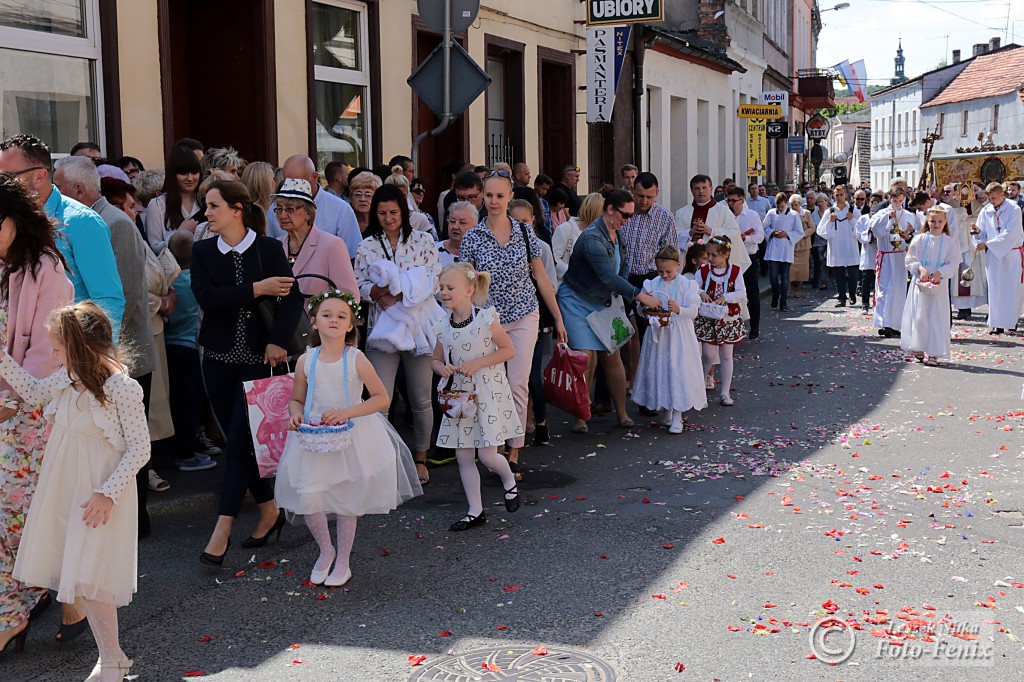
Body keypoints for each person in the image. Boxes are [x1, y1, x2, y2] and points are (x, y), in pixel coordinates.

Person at [0, 302, 149, 681]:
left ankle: (112, 660)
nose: (53, 356)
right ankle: (112, 659)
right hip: (67, 481)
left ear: (82, 346)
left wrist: (107, 493)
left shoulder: (121, 387)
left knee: (93, 574)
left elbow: (140, 448)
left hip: (98, 490)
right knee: (84, 573)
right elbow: (33, 394)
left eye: (58, 348)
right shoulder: (68, 377)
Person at [191, 180, 303, 566]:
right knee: (239, 441)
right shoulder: (204, 250)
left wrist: (278, 340)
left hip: (260, 360)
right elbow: (207, 298)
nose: (206, 213)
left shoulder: (269, 248)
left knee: (239, 441)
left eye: (213, 206)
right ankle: (269, 510)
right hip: (218, 360)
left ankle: (222, 528)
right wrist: (256, 289)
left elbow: (292, 300)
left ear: (237, 209)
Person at [277, 290, 420, 585]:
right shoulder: (306, 360)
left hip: (350, 435)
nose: (334, 320)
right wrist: (295, 414)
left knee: (345, 499)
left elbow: (381, 399)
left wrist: (348, 411)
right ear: (314, 321)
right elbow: (297, 400)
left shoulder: (356, 358)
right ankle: (325, 550)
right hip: (314, 438)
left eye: (341, 316)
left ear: (350, 325)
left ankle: (343, 560)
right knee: (310, 496)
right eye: (327, 315)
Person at [53, 157, 160, 529]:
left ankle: (136, 521)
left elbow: (126, 296)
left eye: (59, 188)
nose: (53, 196)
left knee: (129, 442)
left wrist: (103, 356)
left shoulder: (113, 222)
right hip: (103, 354)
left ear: (79, 191)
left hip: (121, 356)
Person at [0, 173, 75, 653]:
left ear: (14, 219)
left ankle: (48, 604)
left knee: (18, 518)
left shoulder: (45, 268)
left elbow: (47, 352)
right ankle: (22, 610)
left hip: (29, 413)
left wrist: (9, 405)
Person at [458, 171, 566, 477]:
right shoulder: (472, 238)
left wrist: (557, 317)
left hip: (524, 315)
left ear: (509, 198)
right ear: (482, 197)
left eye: (499, 196)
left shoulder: (524, 232)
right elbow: (465, 283)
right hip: (488, 321)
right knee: (492, 386)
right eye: (488, 195)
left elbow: (541, 276)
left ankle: (513, 449)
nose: (493, 201)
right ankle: (493, 445)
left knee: (518, 382)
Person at [353, 184, 441, 486]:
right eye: (382, 213)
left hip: (417, 327)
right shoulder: (367, 246)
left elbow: (436, 281)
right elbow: (359, 287)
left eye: (393, 212)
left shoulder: (424, 240)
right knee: (381, 399)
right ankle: (383, 458)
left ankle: (420, 457)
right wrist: (379, 293)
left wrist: (404, 294)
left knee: (421, 398)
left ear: (403, 212)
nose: (389, 218)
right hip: (383, 328)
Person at [0, 136, 126, 341]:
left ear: (40, 176)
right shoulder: (9, 221)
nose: (2, 184)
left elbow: (107, 300)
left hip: (69, 357)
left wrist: (97, 363)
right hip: (18, 357)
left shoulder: (82, 222)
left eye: (7, 176)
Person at [556, 190, 662, 432]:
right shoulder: (593, 238)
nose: (628, 220)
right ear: (610, 209)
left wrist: (622, 300)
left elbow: (622, 270)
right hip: (577, 301)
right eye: (625, 215)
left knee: (612, 356)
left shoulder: (617, 234)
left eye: (630, 216)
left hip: (604, 301)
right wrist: (640, 295)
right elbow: (608, 276)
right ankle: (580, 415)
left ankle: (622, 413)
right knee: (585, 357)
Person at [432, 264, 521, 530]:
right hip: (461, 396)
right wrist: (441, 368)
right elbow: (435, 360)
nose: (444, 293)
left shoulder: (486, 318)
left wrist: (479, 362)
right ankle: (475, 510)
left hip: (487, 393)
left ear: (469, 290)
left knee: (488, 455)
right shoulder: (442, 326)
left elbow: (508, 350)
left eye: (450, 288)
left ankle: (509, 480)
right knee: (463, 456)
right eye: (442, 288)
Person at [630, 245, 706, 433]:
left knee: (677, 371)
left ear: (679, 265)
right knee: (661, 370)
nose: (664, 275)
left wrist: (679, 309)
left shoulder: (687, 285)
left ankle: (678, 416)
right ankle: (666, 410)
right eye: (660, 271)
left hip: (679, 336)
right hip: (658, 335)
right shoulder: (652, 284)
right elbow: (640, 312)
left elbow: (694, 311)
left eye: (668, 271)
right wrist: (644, 305)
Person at [162, 231, 216, 472]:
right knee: (190, 404)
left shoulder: (168, 281)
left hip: (167, 347)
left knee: (175, 402)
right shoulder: (198, 280)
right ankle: (187, 455)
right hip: (190, 348)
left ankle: (181, 450)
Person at [508, 199, 556, 446]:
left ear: (532, 221)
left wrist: (555, 319)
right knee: (512, 376)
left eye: (524, 222)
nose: (518, 226)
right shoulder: (502, 245)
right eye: (514, 221)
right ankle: (515, 425)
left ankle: (540, 421)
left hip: (534, 317)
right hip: (507, 319)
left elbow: (550, 283)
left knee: (533, 375)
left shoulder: (541, 248)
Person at [273, 179, 358, 299]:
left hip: (315, 316)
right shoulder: (276, 246)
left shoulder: (331, 245)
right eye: (279, 209)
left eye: (290, 209)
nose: (282, 215)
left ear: (308, 212)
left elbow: (350, 296)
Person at [267, 156, 361, 257]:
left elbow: (353, 256)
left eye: (301, 183)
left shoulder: (341, 209)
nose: (294, 188)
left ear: (315, 177)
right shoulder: (275, 209)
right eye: (288, 182)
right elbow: (268, 251)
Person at [901, 208, 961, 365]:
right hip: (920, 283)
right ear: (927, 221)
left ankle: (934, 352)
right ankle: (918, 346)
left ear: (945, 222)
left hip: (938, 285)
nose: (936, 224)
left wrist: (940, 273)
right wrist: (920, 269)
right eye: (933, 221)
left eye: (940, 221)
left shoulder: (949, 242)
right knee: (919, 315)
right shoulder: (919, 239)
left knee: (936, 316)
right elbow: (910, 259)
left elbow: (954, 262)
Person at [695, 236, 746, 406]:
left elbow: (741, 292)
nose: (709, 259)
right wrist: (701, 292)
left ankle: (725, 392)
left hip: (727, 318)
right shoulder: (703, 270)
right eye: (708, 255)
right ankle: (699, 387)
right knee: (708, 354)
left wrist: (726, 297)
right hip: (709, 317)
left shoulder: (735, 271)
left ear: (725, 254)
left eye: (713, 255)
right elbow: (693, 287)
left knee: (726, 355)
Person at [970, 182, 1024, 334]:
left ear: (1002, 195)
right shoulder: (986, 210)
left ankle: (1012, 322)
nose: (991, 201)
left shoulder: (1014, 209)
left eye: (994, 198)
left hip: (1011, 254)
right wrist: (977, 232)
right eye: (989, 198)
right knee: (995, 288)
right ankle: (997, 323)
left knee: (1011, 288)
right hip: (994, 254)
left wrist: (987, 244)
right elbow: (983, 233)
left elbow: (1011, 233)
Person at [674, 174, 750, 273]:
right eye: (697, 188)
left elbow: (735, 234)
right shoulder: (682, 212)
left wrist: (712, 231)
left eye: (704, 187)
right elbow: (674, 236)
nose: (701, 191)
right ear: (691, 190)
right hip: (689, 266)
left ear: (711, 189)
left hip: (716, 265)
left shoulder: (723, 211)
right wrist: (689, 232)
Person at [870, 184, 917, 338]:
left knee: (898, 289)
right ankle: (884, 322)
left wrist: (910, 233)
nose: (898, 203)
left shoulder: (909, 216)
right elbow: (876, 231)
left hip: (900, 256)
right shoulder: (881, 213)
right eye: (895, 200)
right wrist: (888, 219)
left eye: (900, 201)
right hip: (886, 255)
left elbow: (917, 233)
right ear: (889, 199)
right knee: (884, 289)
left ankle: (896, 324)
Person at [145, 145, 202, 252]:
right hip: (174, 267)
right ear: (173, 174)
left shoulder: (205, 201)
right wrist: (180, 234)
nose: (190, 178)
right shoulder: (157, 205)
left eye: (194, 172)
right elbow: (155, 248)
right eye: (183, 173)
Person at [727, 186, 764, 339]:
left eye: (733, 201)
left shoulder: (751, 215)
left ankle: (754, 327)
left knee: (751, 293)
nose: (730, 204)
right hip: (729, 259)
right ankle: (734, 326)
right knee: (730, 294)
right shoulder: (726, 214)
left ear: (742, 201)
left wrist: (745, 238)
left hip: (748, 258)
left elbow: (760, 235)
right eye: (728, 200)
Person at [815, 185, 861, 306]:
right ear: (833, 196)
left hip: (850, 246)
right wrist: (830, 222)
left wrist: (852, 220)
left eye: (841, 194)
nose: (839, 197)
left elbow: (862, 230)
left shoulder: (853, 210)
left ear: (846, 195)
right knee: (838, 273)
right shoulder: (829, 212)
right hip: (836, 247)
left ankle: (852, 294)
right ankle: (841, 297)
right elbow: (820, 231)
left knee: (853, 273)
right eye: (837, 195)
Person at [762, 193, 804, 312]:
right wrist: (771, 233)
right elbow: (764, 227)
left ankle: (783, 301)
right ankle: (776, 293)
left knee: (785, 277)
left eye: (782, 206)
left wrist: (788, 234)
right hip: (774, 248)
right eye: (778, 206)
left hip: (786, 247)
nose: (780, 208)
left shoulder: (794, 215)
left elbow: (800, 232)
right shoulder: (771, 213)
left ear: (786, 203)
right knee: (773, 276)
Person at [552, 192, 603, 289]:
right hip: (567, 288)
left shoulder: (598, 232)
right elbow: (554, 259)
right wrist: (571, 272)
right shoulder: (565, 229)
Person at [384, 166, 436, 239]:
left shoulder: (420, 219)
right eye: (394, 195)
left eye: (402, 195)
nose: (399, 199)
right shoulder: (381, 219)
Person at [857, 194, 883, 313]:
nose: (875, 205)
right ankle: (865, 303)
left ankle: (878, 304)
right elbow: (859, 234)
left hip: (881, 253)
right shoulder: (863, 219)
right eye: (873, 202)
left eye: (877, 202)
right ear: (869, 203)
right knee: (866, 280)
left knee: (880, 282)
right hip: (868, 253)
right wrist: (869, 236)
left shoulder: (884, 218)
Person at [787, 193, 815, 300]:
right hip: (792, 244)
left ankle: (799, 288)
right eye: (792, 205)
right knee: (790, 268)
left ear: (800, 204)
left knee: (802, 269)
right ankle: (788, 288)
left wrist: (803, 234)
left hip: (804, 244)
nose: (794, 207)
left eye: (796, 205)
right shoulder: (788, 214)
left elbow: (812, 227)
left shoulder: (806, 213)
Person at [438, 201, 477, 268]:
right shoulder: (434, 250)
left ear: (475, 227)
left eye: (462, 222)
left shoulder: (482, 253)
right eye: (452, 221)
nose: (455, 226)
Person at [348, 171, 382, 238]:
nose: (362, 199)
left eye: (368, 195)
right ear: (350, 197)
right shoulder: (344, 222)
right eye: (357, 194)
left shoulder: (382, 223)